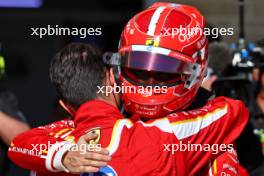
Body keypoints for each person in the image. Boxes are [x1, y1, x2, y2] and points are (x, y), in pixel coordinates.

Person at [9, 3, 249, 176]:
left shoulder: (85, 136)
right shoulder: (204, 126)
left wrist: (63, 155)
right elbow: (233, 110)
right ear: (117, 71)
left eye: (165, 71)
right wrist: (65, 155)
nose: (150, 81)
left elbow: (22, 144)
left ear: (194, 72)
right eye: (139, 69)